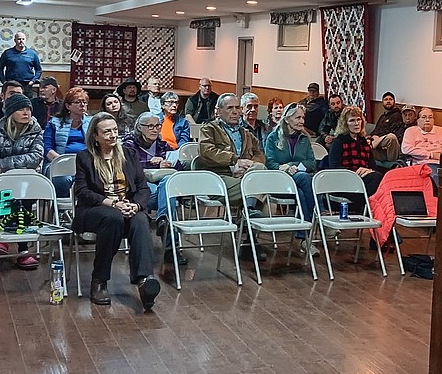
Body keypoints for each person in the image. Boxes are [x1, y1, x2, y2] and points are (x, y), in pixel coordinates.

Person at [73, 112, 160, 309]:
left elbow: (143, 187)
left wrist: (135, 205)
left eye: (114, 130)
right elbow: (82, 192)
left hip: (125, 207)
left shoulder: (128, 155)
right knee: (113, 218)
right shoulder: (84, 157)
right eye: (107, 132)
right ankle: (99, 280)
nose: (113, 135)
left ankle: (144, 281)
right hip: (95, 209)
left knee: (140, 219)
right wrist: (112, 203)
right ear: (95, 136)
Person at [197, 93, 267, 261]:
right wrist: (234, 161)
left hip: (243, 177)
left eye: (237, 108)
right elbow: (206, 152)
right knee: (259, 188)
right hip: (218, 177)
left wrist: (248, 165)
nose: (235, 112)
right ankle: (250, 228)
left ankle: (249, 229)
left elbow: (260, 155)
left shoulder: (246, 133)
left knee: (260, 175)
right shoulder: (209, 129)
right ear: (218, 111)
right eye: (230, 108)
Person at [0, 93, 44, 270]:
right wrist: (2, 167)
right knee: (11, 199)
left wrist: (6, 164)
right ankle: (23, 251)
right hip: (2, 182)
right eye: (21, 109)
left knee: (23, 200)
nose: (26, 113)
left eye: (28, 109)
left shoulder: (36, 130)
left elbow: (36, 157)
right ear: (10, 112)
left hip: (26, 182)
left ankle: (7, 238)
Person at [124, 111, 183, 265]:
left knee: (168, 182)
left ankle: (163, 220)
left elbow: (180, 168)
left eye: (157, 125)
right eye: (150, 126)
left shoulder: (163, 145)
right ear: (139, 127)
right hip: (139, 189)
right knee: (168, 196)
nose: (154, 129)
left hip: (161, 187)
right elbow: (128, 166)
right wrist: (152, 163)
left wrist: (169, 163)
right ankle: (171, 247)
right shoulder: (129, 143)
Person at [263, 102, 318, 252]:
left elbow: (312, 162)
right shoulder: (273, 138)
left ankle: (304, 238)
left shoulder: (304, 138)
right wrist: (285, 168)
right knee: (306, 179)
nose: (302, 121)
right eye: (297, 118)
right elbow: (269, 162)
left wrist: (294, 166)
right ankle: (318, 218)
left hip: (298, 181)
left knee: (300, 192)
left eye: (303, 117)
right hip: (278, 181)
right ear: (287, 119)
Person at [42, 87, 91, 197]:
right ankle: (62, 212)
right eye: (77, 102)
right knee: (63, 180)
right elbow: (47, 148)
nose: (82, 105)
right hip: (59, 164)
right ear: (68, 106)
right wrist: (64, 163)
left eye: (84, 102)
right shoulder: (54, 123)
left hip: (85, 164)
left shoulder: (92, 123)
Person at [328, 105, 386, 196]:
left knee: (380, 178)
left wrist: (368, 170)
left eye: (358, 120)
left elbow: (373, 167)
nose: (356, 123)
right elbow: (334, 167)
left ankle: (370, 206)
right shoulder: (339, 142)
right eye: (352, 120)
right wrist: (354, 173)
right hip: (345, 182)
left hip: (363, 181)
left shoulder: (364, 142)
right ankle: (369, 206)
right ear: (345, 124)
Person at [402, 108, 442, 180]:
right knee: (440, 179)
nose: (427, 120)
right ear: (417, 120)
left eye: (430, 117)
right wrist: (431, 155)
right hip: (427, 165)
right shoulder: (411, 131)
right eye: (424, 117)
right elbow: (406, 148)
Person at [0, 31, 43, 97]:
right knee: (12, 104)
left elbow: (38, 69)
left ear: (25, 40)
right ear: (15, 40)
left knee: (26, 105)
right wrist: (4, 82)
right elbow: (0, 68)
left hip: (27, 85)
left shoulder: (32, 54)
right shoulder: (7, 53)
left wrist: (33, 81)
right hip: (11, 84)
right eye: (19, 39)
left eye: (23, 39)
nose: (21, 41)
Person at [369, 92, 405, 162]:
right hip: (380, 151)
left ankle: (373, 143)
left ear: (394, 102)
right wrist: (371, 137)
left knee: (391, 137)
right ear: (382, 102)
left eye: (390, 99)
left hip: (390, 151)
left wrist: (378, 138)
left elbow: (397, 135)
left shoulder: (398, 115)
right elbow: (375, 131)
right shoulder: (382, 117)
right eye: (386, 99)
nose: (388, 101)